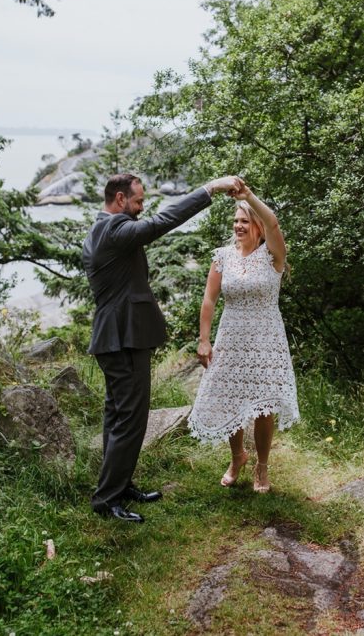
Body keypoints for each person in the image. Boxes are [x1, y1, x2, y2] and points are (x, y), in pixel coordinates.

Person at [83, 172, 242, 523]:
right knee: (131, 419)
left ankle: (119, 485)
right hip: (123, 338)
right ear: (121, 199)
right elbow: (162, 222)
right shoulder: (114, 229)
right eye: (138, 201)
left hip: (117, 337)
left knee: (117, 415)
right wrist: (209, 188)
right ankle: (107, 500)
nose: (142, 208)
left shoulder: (102, 230)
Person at [188, 182, 299, 494]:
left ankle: (262, 466)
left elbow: (275, 222)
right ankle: (238, 457)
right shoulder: (223, 257)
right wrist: (204, 339)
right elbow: (209, 300)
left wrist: (248, 196)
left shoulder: (273, 255)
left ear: (258, 226)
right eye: (236, 221)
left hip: (266, 337)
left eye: (244, 221)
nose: (238, 226)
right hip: (232, 335)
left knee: (264, 408)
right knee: (228, 399)